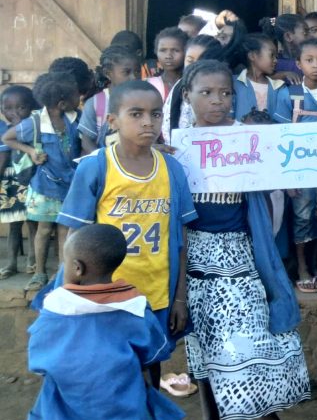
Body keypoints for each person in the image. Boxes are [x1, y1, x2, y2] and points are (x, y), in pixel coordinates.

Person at [173, 60, 310, 420]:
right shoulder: (176, 148)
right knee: (201, 341)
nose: (219, 101)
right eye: (207, 93)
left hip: (239, 253)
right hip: (193, 257)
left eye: (226, 93)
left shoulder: (246, 141)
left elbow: (278, 180)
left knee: (252, 335)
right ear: (188, 97)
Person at [1, 225, 182, 420]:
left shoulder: (56, 307)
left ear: (77, 267)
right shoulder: (134, 304)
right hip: (121, 397)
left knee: (50, 416)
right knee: (142, 401)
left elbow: (39, 361)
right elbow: (153, 351)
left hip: (73, 399)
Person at [56, 79, 196, 377]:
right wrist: (70, 294)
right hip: (104, 294)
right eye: (136, 114)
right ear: (112, 120)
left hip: (156, 293)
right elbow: (73, 237)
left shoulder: (172, 169)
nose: (148, 122)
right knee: (109, 372)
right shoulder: (95, 167)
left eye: (156, 114)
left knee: (150, 369)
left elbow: (181, 239)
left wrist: (179, 298)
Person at [274, 38, 317, 291]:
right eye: (309, 60)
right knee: (302, 216)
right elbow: (278, 137)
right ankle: (302, 266)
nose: (316, 65)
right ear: (298, 64)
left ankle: (316, 264)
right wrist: (286, 178)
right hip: (299, 170)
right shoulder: (288, 95)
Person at [2, 73, 81, 291]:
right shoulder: (34, 123)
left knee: (65, 230)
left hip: (69, 185)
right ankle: (39, 272)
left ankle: (61, 273)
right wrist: (31, 151)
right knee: (43, 230)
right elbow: (7, 138)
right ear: (62, 103)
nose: (79, 99)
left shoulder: (74, 118)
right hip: (44, 186)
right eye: (75, 96)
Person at [0, 85, 38, 280]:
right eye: (8, 109)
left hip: (30, 179)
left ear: (31, 107)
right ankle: (11, 263)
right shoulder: (4, 130)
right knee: (13, 224)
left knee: (33, 223)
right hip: (10, 181)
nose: (13, 113)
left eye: (21, 108)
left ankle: (33, 261)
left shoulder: (32, 129)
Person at [79, 45, 142, 154]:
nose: (134, 77)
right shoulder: (96, 104)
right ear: (108, 73)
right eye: (126, 72)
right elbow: (87, 142)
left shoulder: (144, 100)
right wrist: (104, 161)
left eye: (137, 72)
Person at [162, 34, 225, 142]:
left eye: (201, 62)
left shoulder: (227, 88)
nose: (194, 67)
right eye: (190, 61)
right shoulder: (178, 88)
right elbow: (168, 128)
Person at [234, 33, 286, 119]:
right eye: (272, 55)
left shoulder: (279, 87)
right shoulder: (234, 85)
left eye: (276, 56)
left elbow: (283, 121)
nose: (276, 60)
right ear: (252, 56)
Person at [147, 27, 187, 103]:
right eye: (163, 50)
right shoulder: (150, 85)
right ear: (156, 52)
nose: (168, 56)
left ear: (186, 52)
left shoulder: (192, 84)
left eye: (175, 50)